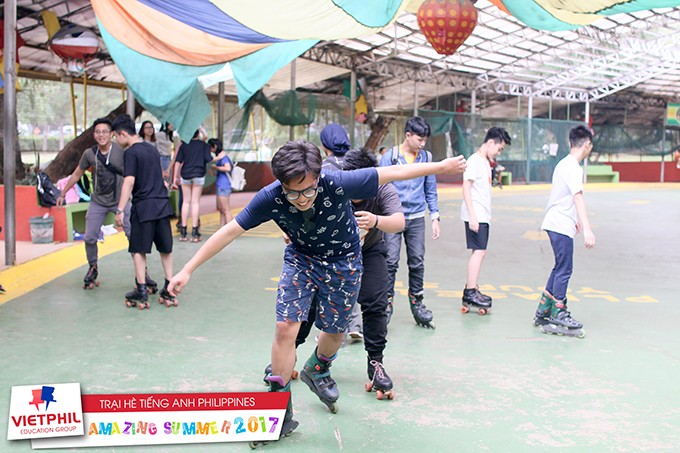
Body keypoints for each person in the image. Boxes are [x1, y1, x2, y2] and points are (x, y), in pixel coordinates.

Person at [167, 140, 466, 437]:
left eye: (308, 190)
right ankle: (278, 409)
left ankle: (318, 368)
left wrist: (442, 167)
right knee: (285, 327)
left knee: (335, 332)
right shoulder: (270, 197)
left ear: (318, 178)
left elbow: (393, 173)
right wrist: (188, 269)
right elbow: (229, 231)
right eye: (292, 192)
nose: (301, 199)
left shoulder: (336, 182)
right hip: (302, 259)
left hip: (344, 262)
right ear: (281, 183)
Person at [290, 147, 405, 399]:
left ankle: (376, 365)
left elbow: (399, 222)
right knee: (311, 304)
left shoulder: (382, 188)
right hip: (331, 254)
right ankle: (289, 354)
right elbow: (298, 209)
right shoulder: (331, 185)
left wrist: (376, 220)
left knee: (376, 302)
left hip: (369, 250)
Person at [56, 118, 134, 290]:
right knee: (90, 237)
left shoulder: (121, 151)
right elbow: (77, 174)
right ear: (94, 135)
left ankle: (143, 273)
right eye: (98, 132)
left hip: (120, 201)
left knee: (132, 235)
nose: (101, 135)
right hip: (98, 201)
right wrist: (62, 193)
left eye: (105, 131)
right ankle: (93, 267)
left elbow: (133, 175)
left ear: (112, 134)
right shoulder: (89, 154)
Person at [533, 125, 595, 338]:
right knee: (565, 268)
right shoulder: (574, 168)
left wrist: (575, 219)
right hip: (559, 225)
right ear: (587, 144)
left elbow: (564, 196)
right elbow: (578, 197)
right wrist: (587, 228)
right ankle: (558, 311)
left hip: (556, 222)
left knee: (560, 266)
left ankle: (543, 310)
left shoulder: (563, 164)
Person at [379, 116, 439, 329]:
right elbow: (380, 186)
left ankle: (417, 304)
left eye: (425, 140)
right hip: (393, 217)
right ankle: (385, 305)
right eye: (419, 139)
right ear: (408, 135)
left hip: (416, 218)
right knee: (390, 261)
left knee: (417, 261)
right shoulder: (390, 157)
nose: (422, 144)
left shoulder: (426, 157)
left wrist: (435, 216)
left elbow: (430, 189)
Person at [112, 114, 176, 309]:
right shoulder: (152, 149)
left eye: (116, 136)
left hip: (143, 207)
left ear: (123, 134)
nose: (116, 140)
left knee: (138, 249)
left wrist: (120, 209)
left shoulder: (131, 153)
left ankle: (141, 289)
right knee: (165, 248)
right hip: (162, 205)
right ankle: (169, 287)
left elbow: (129, 181)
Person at [460, 127, 511, 314]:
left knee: (480, 251)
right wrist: (473, 216)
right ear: (490, 143)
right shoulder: (474, 161)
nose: (499, 152)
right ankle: (470, 291)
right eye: (499, 148)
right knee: (479, 252)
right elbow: (466, 188)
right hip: (476, 215)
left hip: (482, 214)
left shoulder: (484, 162)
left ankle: (472, 287)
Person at [172, 130, 219, 242]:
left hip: (185, 175)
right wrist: (220, 157)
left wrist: (174, 178)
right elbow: (209, 159)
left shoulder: (184, 145)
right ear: (198, 134)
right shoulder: (203, 145)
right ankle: (194, 232)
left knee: (185, 202)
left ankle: (183, 232)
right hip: (199, 175)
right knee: (195, 203)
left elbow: (178, 161)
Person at [208, 138, 234, 226]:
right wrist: (214, 171)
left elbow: (228, 168)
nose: (210, 150)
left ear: (215, 146)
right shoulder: (220, 158)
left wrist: (216, 167)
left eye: (210, 147)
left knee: (226, 209)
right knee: (221, 209)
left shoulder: (224, 157)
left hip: (224, 185)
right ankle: (222, 228)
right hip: (220, 185)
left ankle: (230, 229)